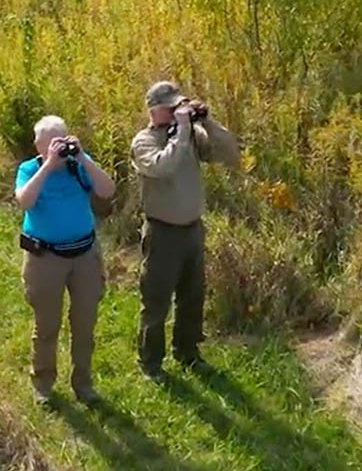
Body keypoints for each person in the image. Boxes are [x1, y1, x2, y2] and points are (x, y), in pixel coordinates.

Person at [130, 80, 240, 380]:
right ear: (155, 110)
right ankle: (150, 363)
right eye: (172, 107)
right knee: (156, 299)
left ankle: (188, 352)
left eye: (181, 105)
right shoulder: (144, 141)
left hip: (192, 229)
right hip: (162, 232)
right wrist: (180, 134)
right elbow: (163, 167)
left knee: (193, 296)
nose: (179, 111)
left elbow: (229, 153)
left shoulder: (190, 136)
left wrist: (207, 122)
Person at [15, 115, 116, 407]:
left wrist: (82, 157)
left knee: (84, 324)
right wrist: (48, 166)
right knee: (46, 326)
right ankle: (43, 385)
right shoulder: (29, 169)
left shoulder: (79, 166)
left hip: (84, 256)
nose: (58, 149)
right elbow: (24, 200)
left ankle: (83, 383)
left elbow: (107, 190)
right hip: (45, 258)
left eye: (62, 141)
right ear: (39, 146)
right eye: (51, 145)